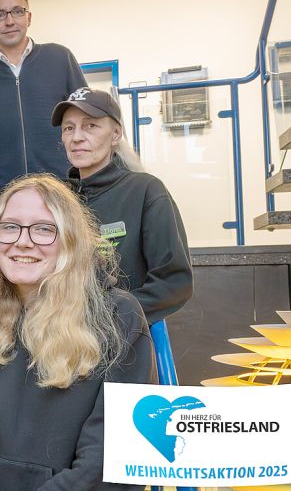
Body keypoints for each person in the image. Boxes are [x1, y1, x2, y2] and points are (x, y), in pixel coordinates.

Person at [0, 175, 152, 491]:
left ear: (70, 240)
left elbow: (110, 463)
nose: (22, 242)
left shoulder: (118, 318)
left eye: (43, 229)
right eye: (9, 227)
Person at [53, 87, 193, 323]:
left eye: (90, 126)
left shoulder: (146, 191)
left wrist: (105, 317)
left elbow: (174, 283)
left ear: (116, 134)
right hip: (58, 339)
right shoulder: (56, 199)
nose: (76, 137)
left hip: (121, 340)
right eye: (69, 128)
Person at [0, 0, 88, 215]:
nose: (9, 21)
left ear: (29, 17)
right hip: (3, 198)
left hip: (62, 193)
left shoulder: (60, 58)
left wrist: (86, 179)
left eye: (17, 11)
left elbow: (87, 124)